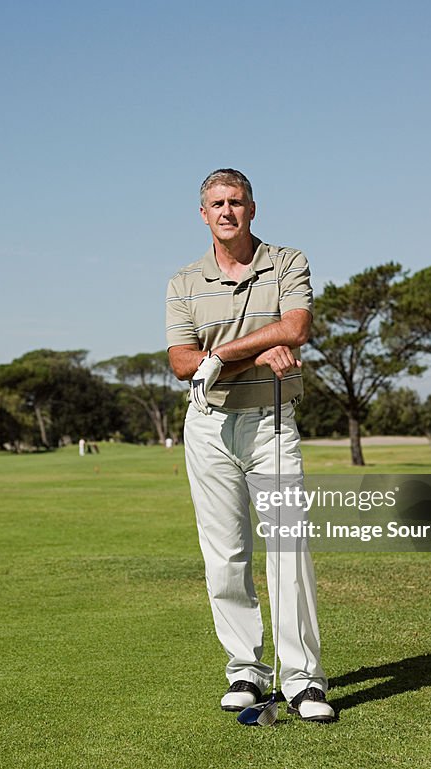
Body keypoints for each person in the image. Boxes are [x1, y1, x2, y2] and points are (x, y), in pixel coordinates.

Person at [165, 169, 334, 723]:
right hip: (208, 427)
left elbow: (297, 327)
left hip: (271, 423)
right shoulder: (184, 281)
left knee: (288, 549)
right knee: (225, 556)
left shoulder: (287, 263)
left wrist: (220, 356)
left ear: (253, 209)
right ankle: (246, 671)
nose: (227, 211)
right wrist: (252, 352)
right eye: (217, 203)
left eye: (236, 202)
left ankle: (303, 682)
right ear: (203, 214)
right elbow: (181, 363)